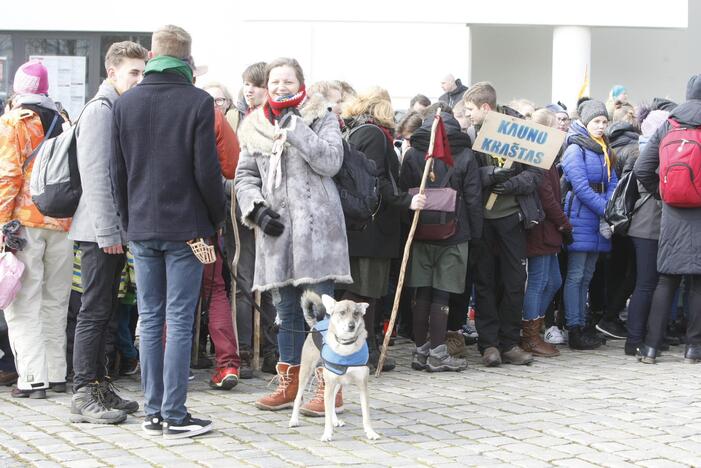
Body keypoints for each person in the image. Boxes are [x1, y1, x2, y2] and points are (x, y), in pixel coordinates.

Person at [112, 25, 224, 438]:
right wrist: (215, 219)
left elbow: (115, 174)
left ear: (153, 55)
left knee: (150, 318)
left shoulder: (126, 104)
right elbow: (208, 175)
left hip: (142, 227)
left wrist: (128, 222)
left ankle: (153, 413)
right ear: (187, 60)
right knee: (178, 321)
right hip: (189, 229)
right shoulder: (198, 101)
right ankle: (174, 415)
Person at [235, 57, 352, 411]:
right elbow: (245, 177)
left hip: (317, 233)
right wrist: (255, 209)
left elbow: (331, 161)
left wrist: (298, 130)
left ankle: (329, 387)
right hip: (276, 234)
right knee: (285, 312)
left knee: (318, 309)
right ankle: (290, 384)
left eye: (288, 81)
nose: (280, 87)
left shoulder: (322, 118)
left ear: (301, 84)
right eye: (275, 82)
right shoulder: (253, 126)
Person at [69, 41, 147, 423]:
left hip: (110, 229)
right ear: (111, 72)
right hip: (100, 229)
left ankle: (100, 384)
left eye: (142, 72)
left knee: (107, 310)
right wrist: (108, 232)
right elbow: (97, 177)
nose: (139, 79)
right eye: (133, 72)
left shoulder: (116, 107)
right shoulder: (101, 111)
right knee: (94, 310)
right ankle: (84, 392)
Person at [0, 60, 71, 399]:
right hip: (62, 222)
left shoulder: (13, 122)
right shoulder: (63, 120)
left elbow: (7, 177)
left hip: (24, 223)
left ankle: (32, 377)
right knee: (56, 300)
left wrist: (1, 224)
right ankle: (57, 373)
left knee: (23, 302)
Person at [462, 82, 542, 367]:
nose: (467, 115)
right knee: (484, 282)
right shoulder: (471, 135)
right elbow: (469, 175)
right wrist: (492, 174)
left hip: (512, 218)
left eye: (470, 109)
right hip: (483, 220)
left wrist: (510, 185)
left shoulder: (519, 131)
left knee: (514, 283)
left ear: (486, 108)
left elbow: (535, 175)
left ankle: (509, 342)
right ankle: (489, 344)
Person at [400, 111, 482, 372]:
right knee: (442, 293)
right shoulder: (466, 155)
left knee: (421, 292)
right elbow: (473, 199)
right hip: (454, 233)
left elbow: (403, 193)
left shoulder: (413, 154)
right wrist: (475, 235)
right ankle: (437, 353)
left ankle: (420, 350)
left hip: (420, 231)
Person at [635, 74, 701, 364]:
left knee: (666, 281)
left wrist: (663, 193)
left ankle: (650, 347)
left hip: (672, 212)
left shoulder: (668, 124)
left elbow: (642, 168)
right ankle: (694, 349)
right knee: (698, 283)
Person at [223, 61, 279, 379]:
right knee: (242, 282)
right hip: (238, 211)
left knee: (269, 283)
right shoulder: (234, 119)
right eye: (246, 83)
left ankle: (269, 347)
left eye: (256, 84)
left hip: (270, 212)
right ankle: (243, 347)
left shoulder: (277, 121)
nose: (250, 89)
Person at [561, 99, 619, 350]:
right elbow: (581, 187)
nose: (601, 126)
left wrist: (610, 205)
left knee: (588, 274)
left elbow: (613, 181)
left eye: (604, 122)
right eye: (596, 121)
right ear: (585, 122)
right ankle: (573, 327)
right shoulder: (576, 148)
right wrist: (606, 208)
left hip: (598, 217)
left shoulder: (605, 148)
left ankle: (582, 322)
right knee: (575, 275)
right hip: (581, 215)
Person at [521, 109, 572, 357]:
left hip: (549, 228)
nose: (562, 128)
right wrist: (564, 222)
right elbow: (547, 197)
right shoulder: (538, 155)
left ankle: (533, 329)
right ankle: (529, 336)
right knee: (539, 282)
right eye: (557, 124)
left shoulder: (548, 155)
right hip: (540, 226)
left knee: (554, 281)